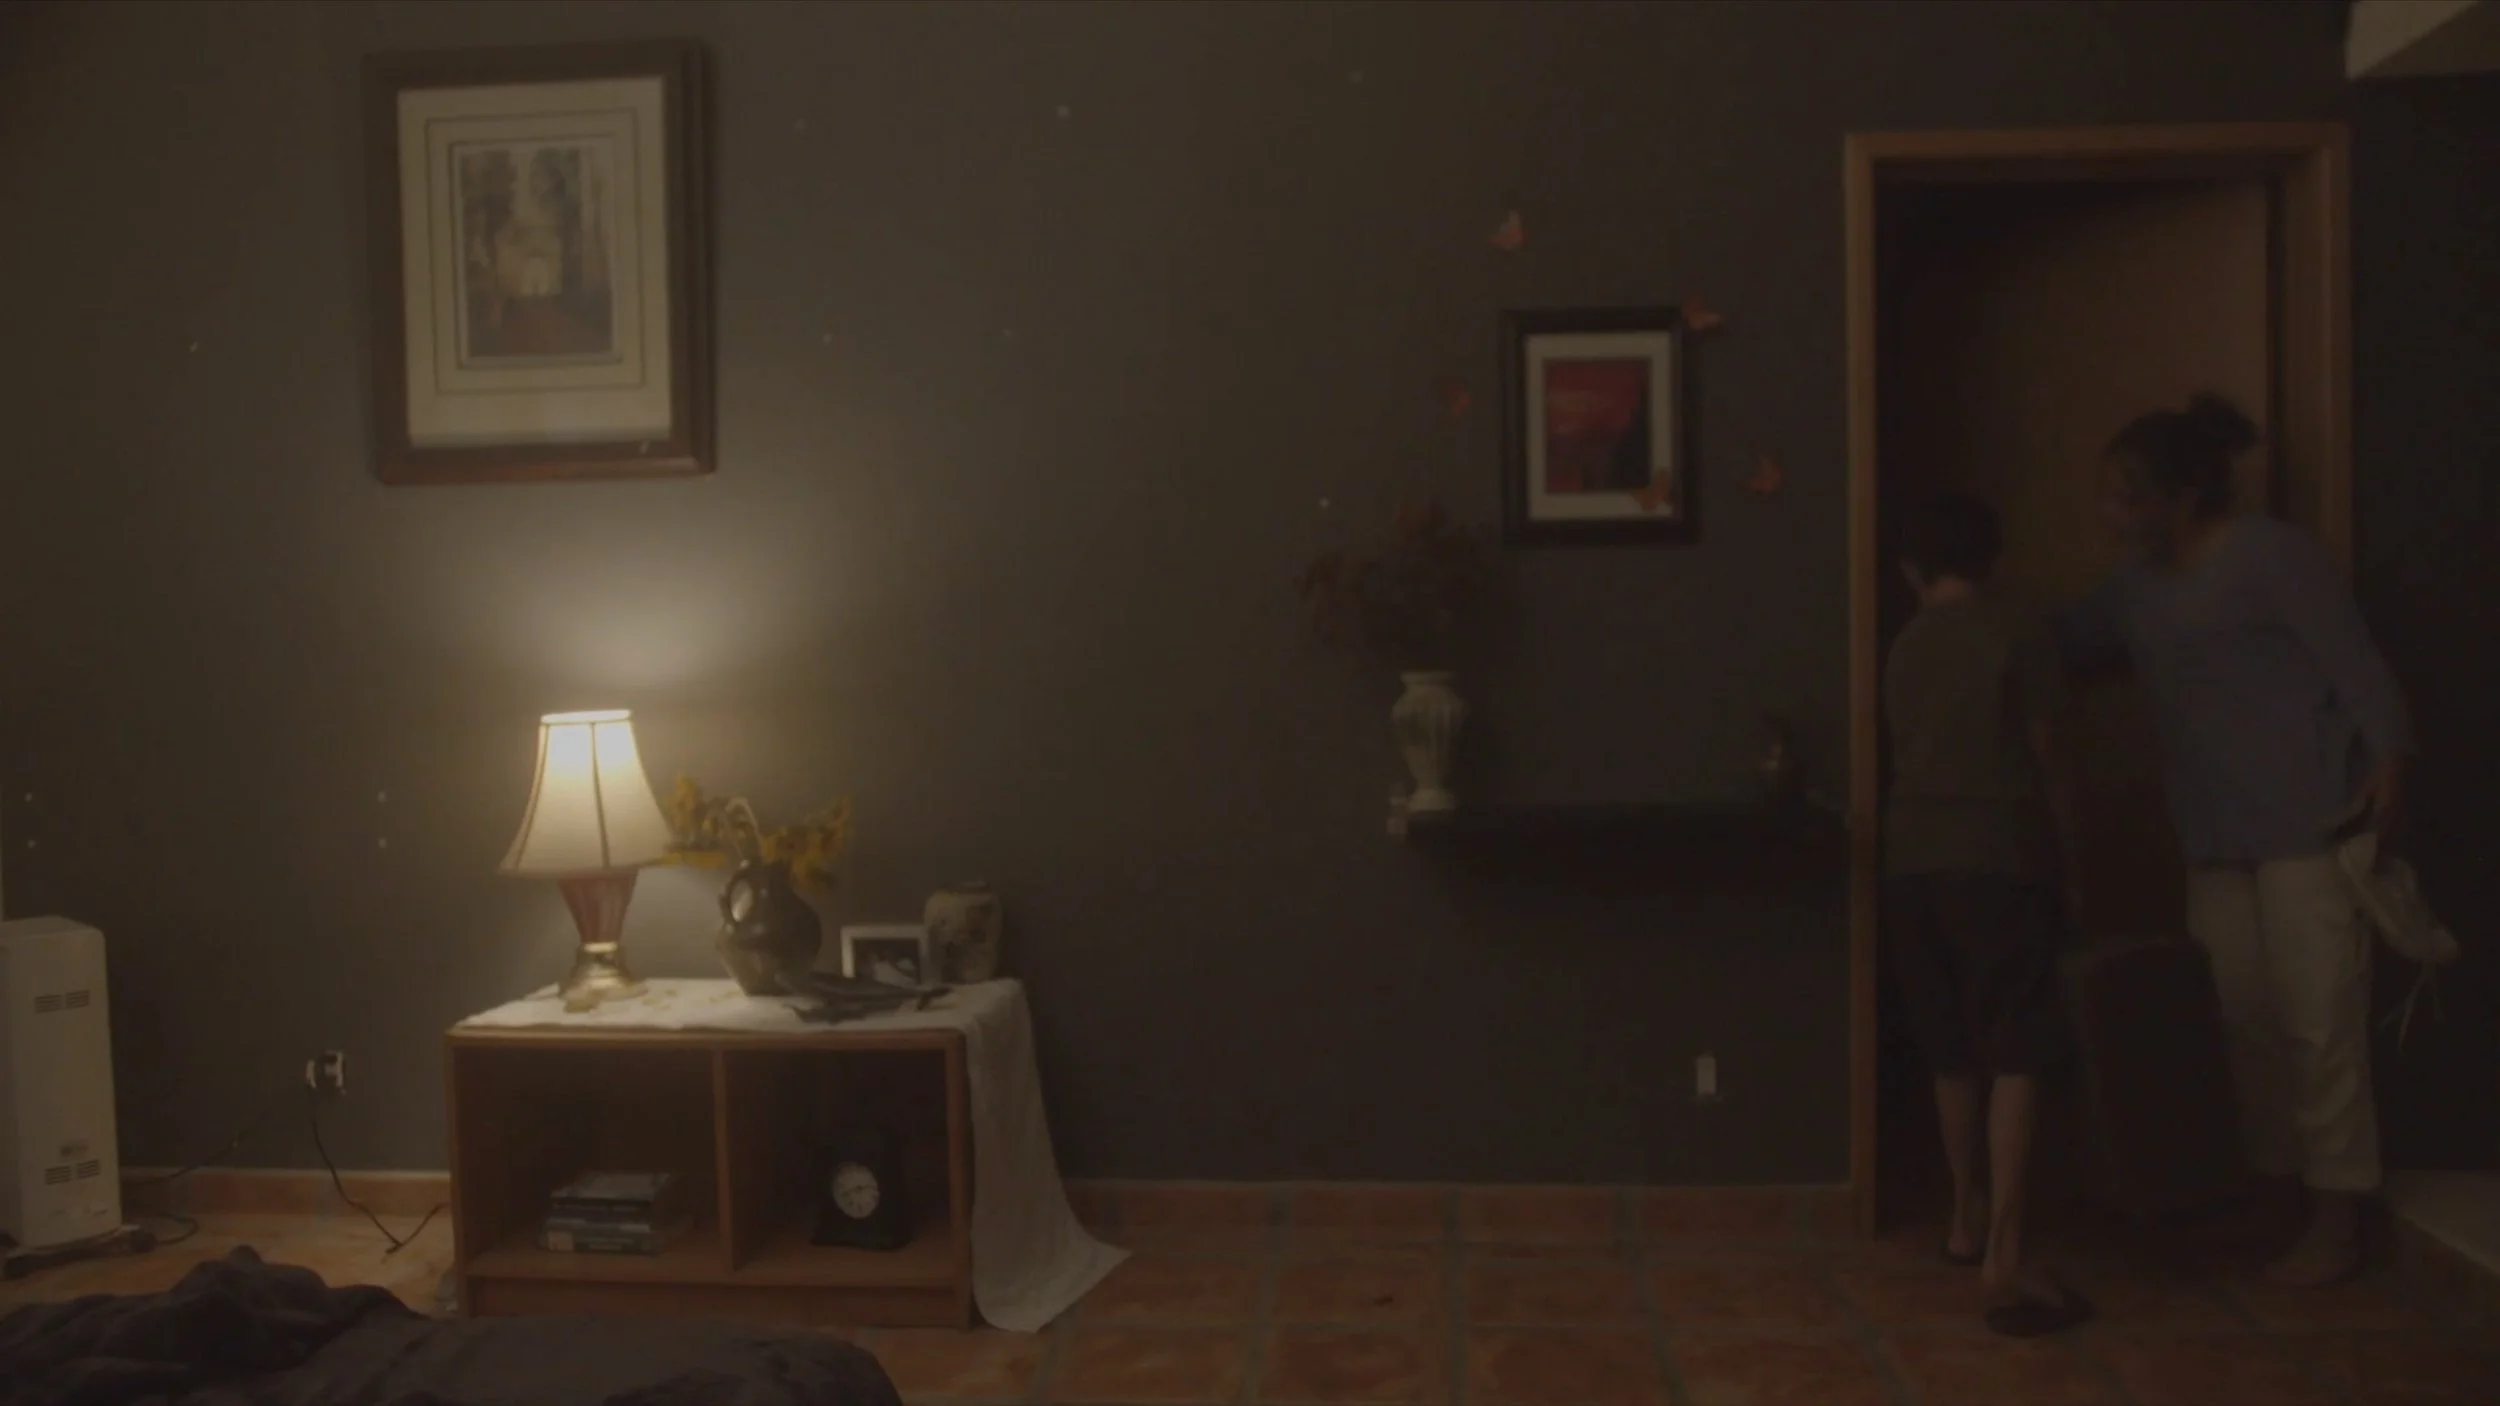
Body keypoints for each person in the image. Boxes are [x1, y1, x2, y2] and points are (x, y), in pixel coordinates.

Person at [2056, 393, 2409, 1288]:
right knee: (2243, 1023)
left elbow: (2358, 667)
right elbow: (2052, 645)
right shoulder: (2133, 590)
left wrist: (2389, 765)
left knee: (2320, 1024)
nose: (2109, 515)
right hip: (2213, 836)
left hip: (2310, 824)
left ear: (2179, 498)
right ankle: (2275, 1197)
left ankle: (2337, 1219)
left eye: (2125, 498)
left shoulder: (2273, 556)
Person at [1885, 490, 2090, 1336]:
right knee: (2016, 1047)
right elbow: (2048, 756)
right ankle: (2006, 1251)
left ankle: (1963, 1219)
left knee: (1950, 1048)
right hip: (2000, 859)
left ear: (1911, 569)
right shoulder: (2019, 631)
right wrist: (2073, 865)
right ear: (1994, 560)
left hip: (1910, 862)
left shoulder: (1903, 645)